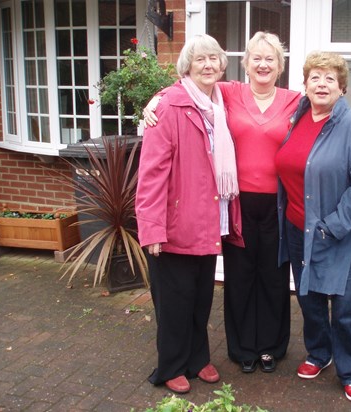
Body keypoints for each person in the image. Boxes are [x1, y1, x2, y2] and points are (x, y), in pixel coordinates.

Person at [143, 32, 351, 374]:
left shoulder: (297, 100)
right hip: (236, 203)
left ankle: (271, 347)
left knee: (274, 278)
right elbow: (188, 88)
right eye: (256, 58)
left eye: (271, 59)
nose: (263, 64)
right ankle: (242, 349)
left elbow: (332, 104)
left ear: (280, 67)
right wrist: (155, 99)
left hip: (279, 206)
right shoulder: (227, 92)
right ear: (246, 64)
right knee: (239, 277)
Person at [135, 34, 244, 394]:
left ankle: (198, 359)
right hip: (176, 223)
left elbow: (269, 94)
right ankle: (171, 365)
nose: (208, 65)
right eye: (200, 60)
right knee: (174, 302)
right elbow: (151, 173)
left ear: (222, 65)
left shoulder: (220, 100)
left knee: (200, 298)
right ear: (187, 66)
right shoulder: (168, 105)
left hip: (210, 220)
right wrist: (152, 229)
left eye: (214, 58)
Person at [275, 51, 351, 403]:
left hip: (338, 234)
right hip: (297, 229)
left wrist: (332, 226)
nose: (321, 84)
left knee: (346, 307)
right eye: (315, 77)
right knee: (309, 300)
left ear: (342, 88)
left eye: (330, 78)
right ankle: (320, 354)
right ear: (304, 85)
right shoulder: (296, 116)